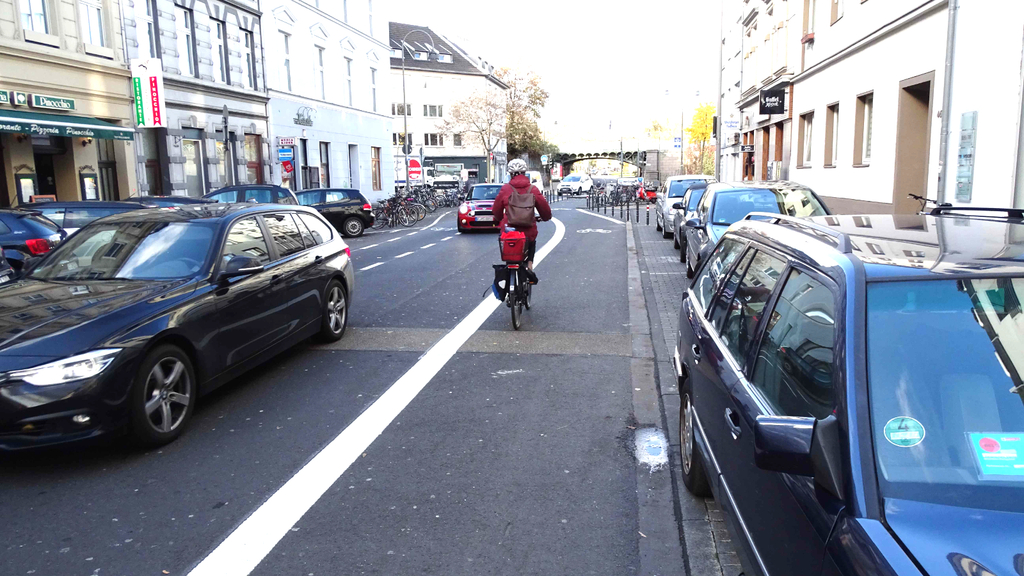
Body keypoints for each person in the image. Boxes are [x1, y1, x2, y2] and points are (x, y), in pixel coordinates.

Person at [490, 159, 552, 284]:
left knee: (509, 246)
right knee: (531, 242)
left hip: (509, 231)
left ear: (510, 174)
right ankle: (529, 266)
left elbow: (496, 211)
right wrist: (545, 217)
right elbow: (545, 210)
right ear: (524, 173)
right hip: (528, 231)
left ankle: (509, 276)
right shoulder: (532, 189)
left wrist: (498, 219)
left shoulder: (506, 189)